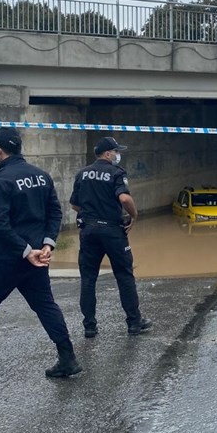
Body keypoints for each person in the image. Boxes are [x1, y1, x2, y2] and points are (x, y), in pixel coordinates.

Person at [0, 127, 82, 387]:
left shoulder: (0, 181)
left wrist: (25, 251)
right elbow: (55, 212)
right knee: (45, 305)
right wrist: (47, 245)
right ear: (19, 148)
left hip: (5, 259)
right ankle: (68, 358)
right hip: (35, 258)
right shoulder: (42, 176)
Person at [69, 136, 152, 337]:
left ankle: (90, 326)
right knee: (124, 276)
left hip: (88, 231)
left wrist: (91, 211)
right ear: (107, 154)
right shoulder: (116, 172)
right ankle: (134, 323)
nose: (117, 155)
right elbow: (124, 197)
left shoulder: (82, 174)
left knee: (88, 279)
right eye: (115, 151)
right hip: (113, 232)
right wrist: (134, 214)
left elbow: (74, 204)